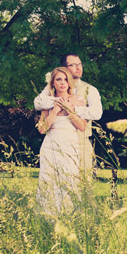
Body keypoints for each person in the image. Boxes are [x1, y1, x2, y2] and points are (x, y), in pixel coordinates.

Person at [34, 54, 102, 176]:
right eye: (73, 65)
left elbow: (97, 113)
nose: (78, 67)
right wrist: (59, 103)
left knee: (83, 181)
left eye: (79, 64)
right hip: (52, 143)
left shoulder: (89, 90)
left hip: (80, 141)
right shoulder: (51, 87)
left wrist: (72, 108)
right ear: (64, 67)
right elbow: (38, 103)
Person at [35, 66, 88, 215]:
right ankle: (48, 217)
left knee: (69, 178)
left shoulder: (78, 100)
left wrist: (69, 110)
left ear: (70, 82)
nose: (63, 83)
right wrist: (55, 111)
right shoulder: (47, 101)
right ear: (53, 83)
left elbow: (82, 127)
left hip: (70, 144)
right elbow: (42, 129)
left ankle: (68, 215)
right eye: (58, 79)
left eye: (65, 79)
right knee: (49, 180)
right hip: (51, 144)